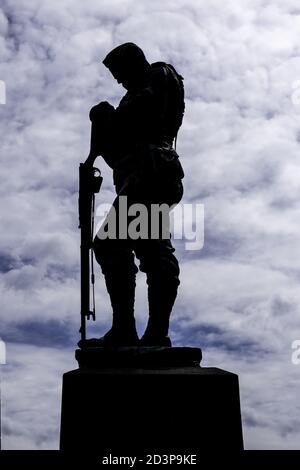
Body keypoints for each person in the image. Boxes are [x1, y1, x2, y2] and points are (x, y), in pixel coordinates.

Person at [84, 42, 185, 347]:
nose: (118, 80)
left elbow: (148, 115)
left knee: (116, 245)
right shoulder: (134, 93)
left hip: (153, 171)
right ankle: (135, 331)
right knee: (147, 249)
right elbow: (119, 152)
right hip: (138, 176)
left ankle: (142, 331)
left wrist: (109, 118)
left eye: (119, 72)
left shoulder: (160, 74)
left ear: (134, 62)